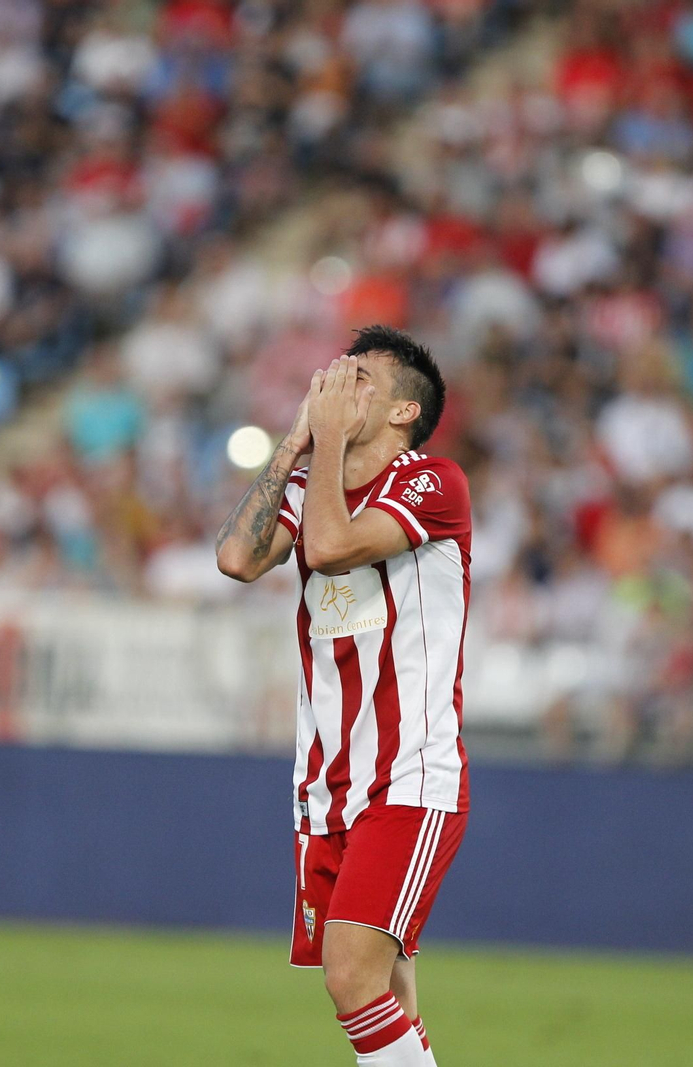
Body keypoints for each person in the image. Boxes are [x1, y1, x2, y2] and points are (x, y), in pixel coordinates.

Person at [216, 325, 472, 1065]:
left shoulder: (433, 481)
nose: (334, 382)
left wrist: (324, 444)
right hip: (328, 782)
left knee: (350, 977)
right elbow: (236, 558)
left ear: (400, 412)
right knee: (388, 988)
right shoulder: (310, 481)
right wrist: (296, 443)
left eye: (358, 376)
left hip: (410, 775)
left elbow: (328, 548)